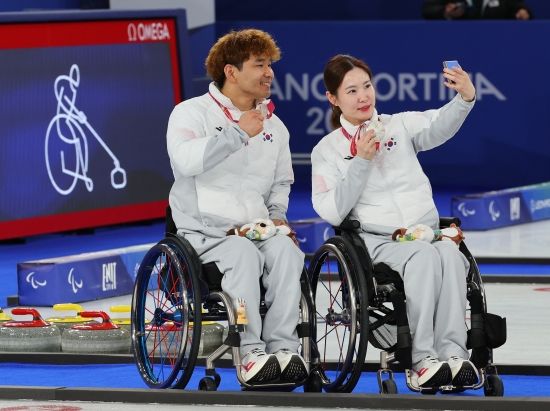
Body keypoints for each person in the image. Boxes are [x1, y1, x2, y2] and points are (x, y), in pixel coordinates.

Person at [311, 54, 478, 389]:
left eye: (367, 86)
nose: (363, 96)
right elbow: (332, 210)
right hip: (378, 242)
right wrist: (360, 161)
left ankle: (453, 355)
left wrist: (464, 98)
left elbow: (438, 124)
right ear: (333, 98)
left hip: (425, 233)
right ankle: (422, 359)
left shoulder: (398, 125)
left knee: (450, 255)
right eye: (352, 91)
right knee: (425, 257)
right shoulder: (327, 150)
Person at [166, 29, 307, 385]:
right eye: (259, 64)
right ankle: (250, 351)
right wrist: (237, 133)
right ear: (231, 72)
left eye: (270, 64)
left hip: (256, 231)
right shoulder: (190, 113)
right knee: (242, 254)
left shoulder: (275, 126)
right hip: (205, 235)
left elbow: (281, 182)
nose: (269, 73)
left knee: (287, 252)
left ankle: (284, 348)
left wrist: (278, 218)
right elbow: (185, 161)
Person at [422, 0, 532, 20]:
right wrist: (446, 12)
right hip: (457, 40)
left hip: (496, 43)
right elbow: (428, 10)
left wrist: (523, 13)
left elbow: (520, 8)